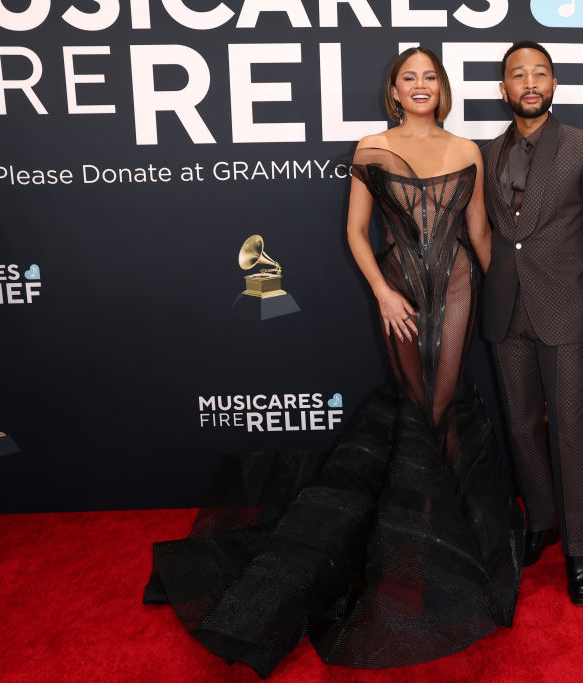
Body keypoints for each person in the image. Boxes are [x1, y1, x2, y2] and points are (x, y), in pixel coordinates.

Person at [143, 47, 524, 678]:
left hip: (457, 288)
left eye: (431, 77)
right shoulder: (371, 147)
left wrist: (509, 301)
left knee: (443, 405)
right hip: (399, 286)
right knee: (417, 409)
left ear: (442, 87)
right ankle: (411, 550)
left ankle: (438, 547)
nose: (421, 86)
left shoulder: (467, 150)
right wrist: (382, 291)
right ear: (394, 90)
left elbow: (479, 233)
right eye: (410, 78)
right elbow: (356, 230)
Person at [481, 41, 583, 606]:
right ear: (504, 89)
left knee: (569, 429)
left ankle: (580, 552)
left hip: (566, 310)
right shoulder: (487, 152)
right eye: (518, 74)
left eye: (540, 72)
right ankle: (542, 520)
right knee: (520, 426)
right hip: (505, 309)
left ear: (554, 84)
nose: (530, 82)